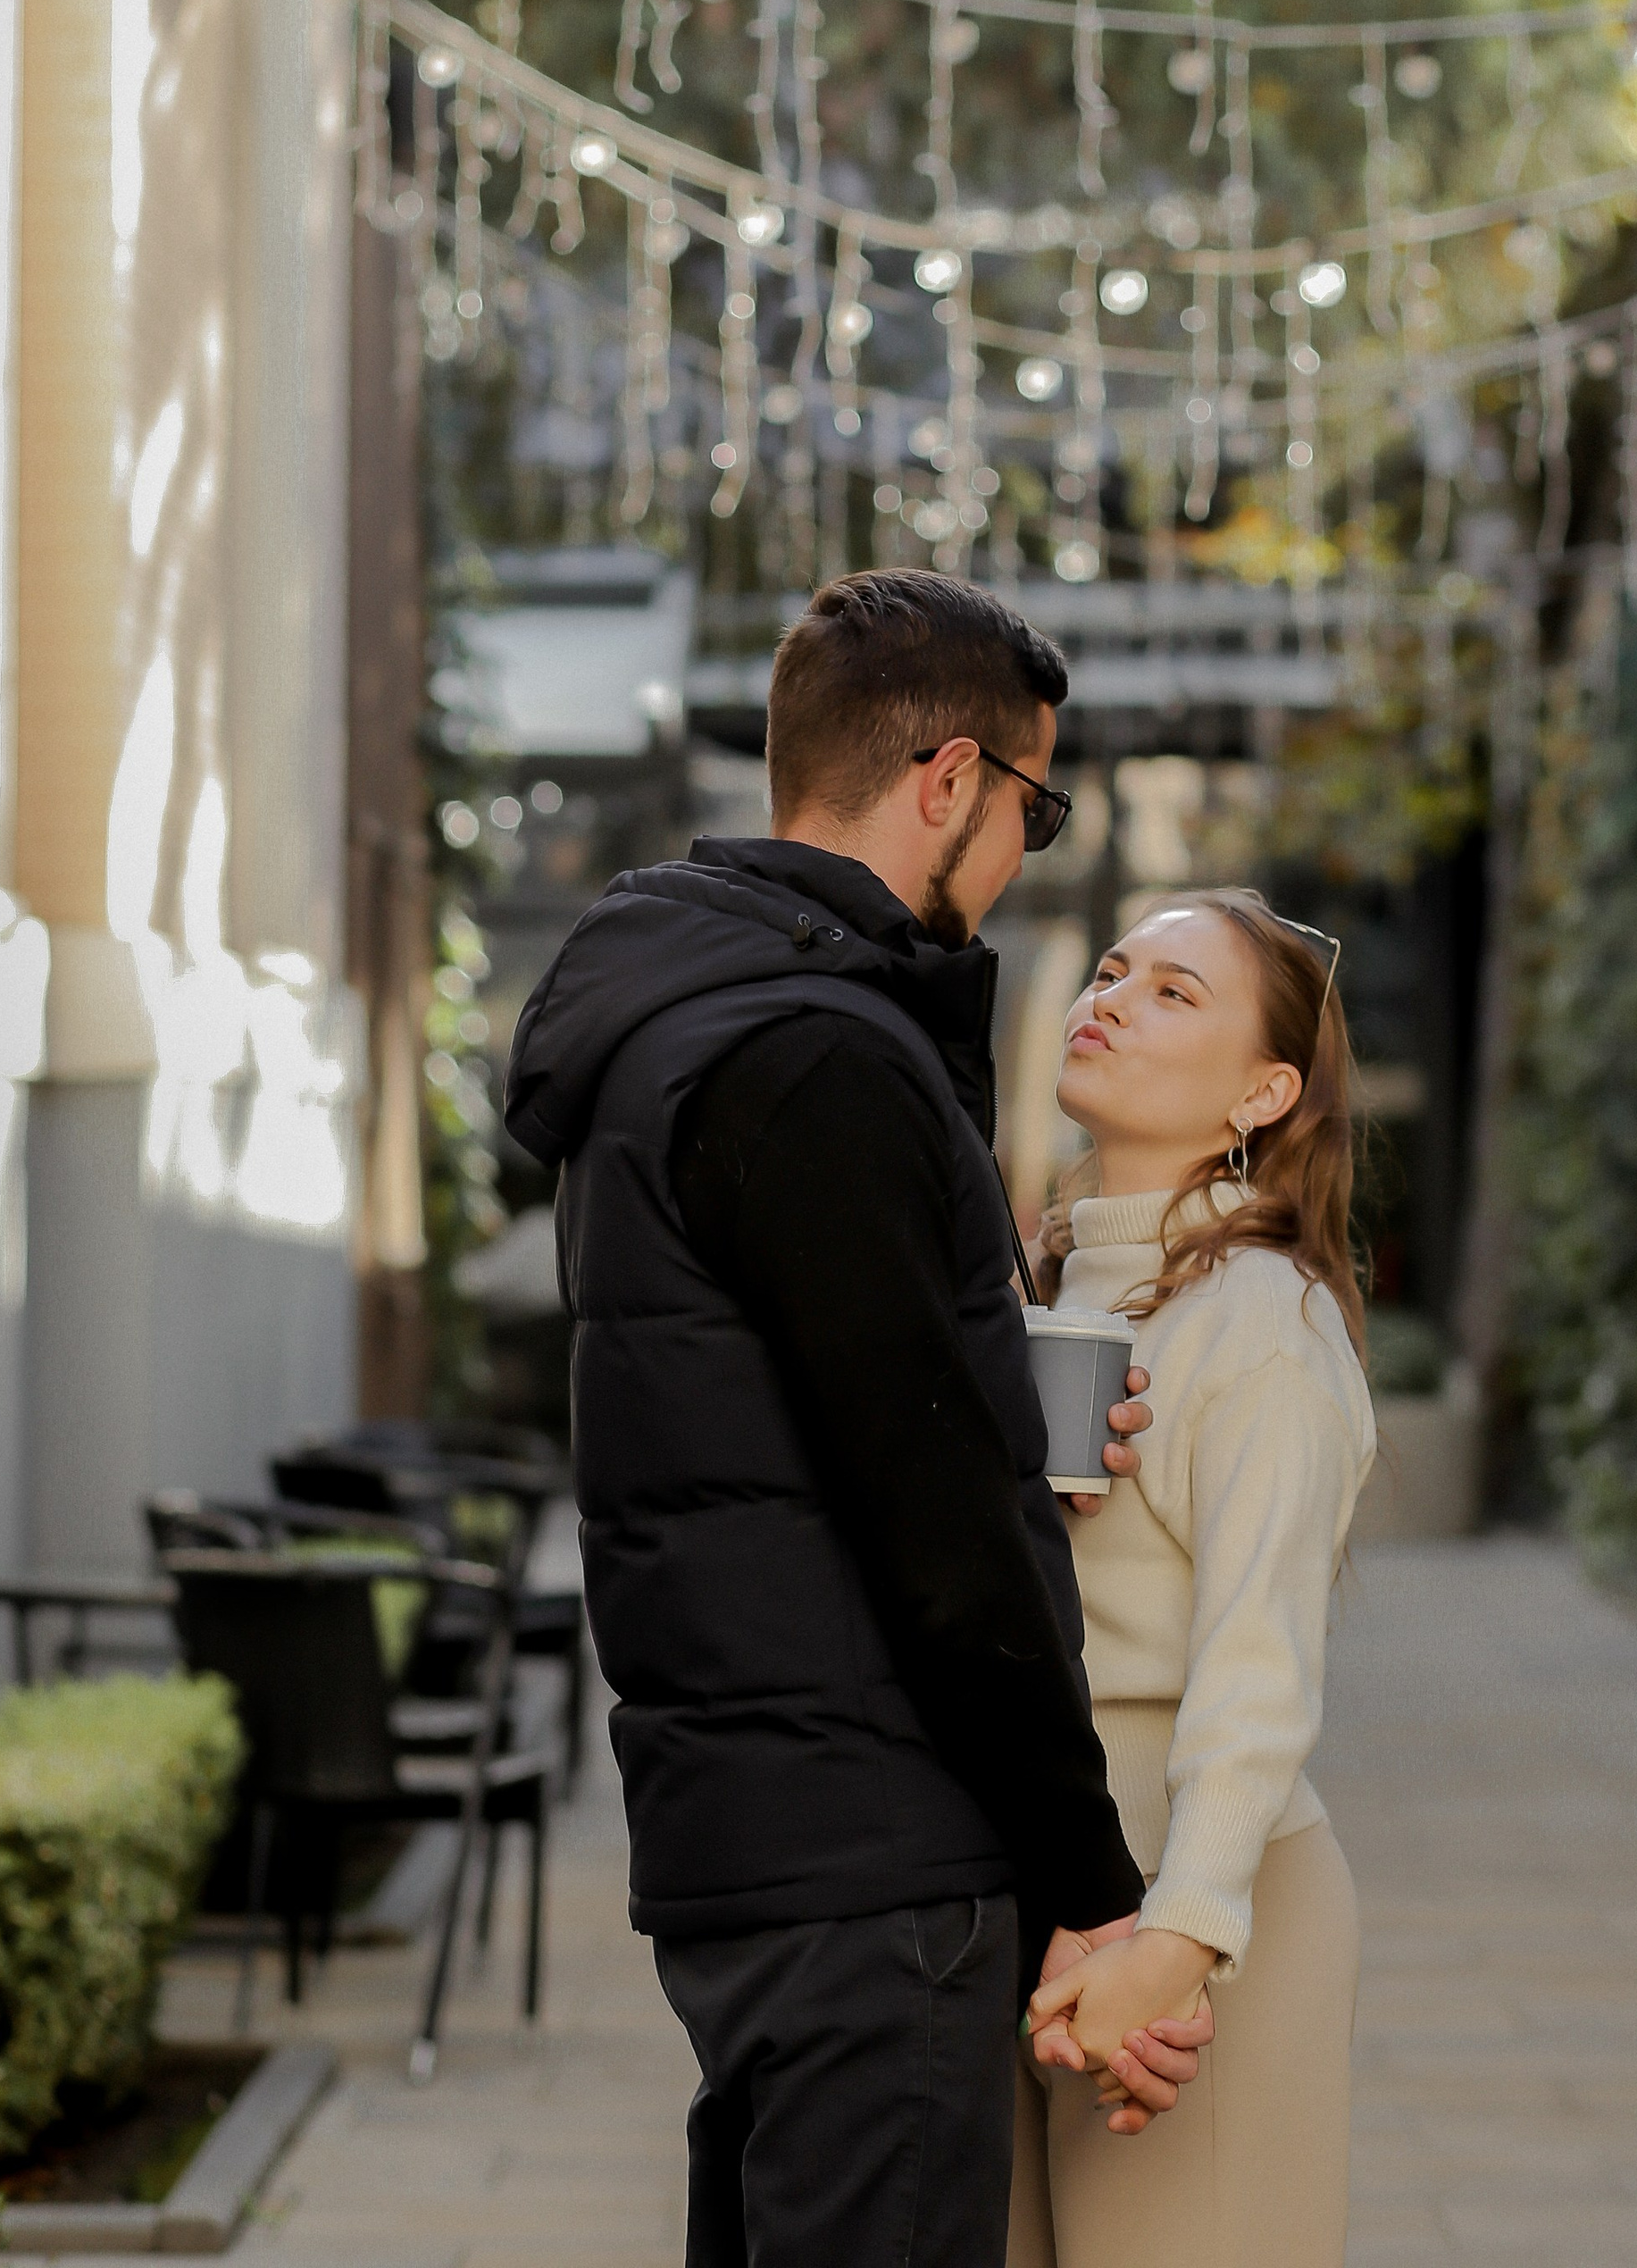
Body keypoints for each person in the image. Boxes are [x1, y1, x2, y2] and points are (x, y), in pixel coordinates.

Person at [502, 570, 1210, 2268]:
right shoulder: (816, 1055)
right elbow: (939, 1523)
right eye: (1035, 807)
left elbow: (806, 1405)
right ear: (952, 781)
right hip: (867, 1849)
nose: (1029, 851)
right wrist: (1095, 1884)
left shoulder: (686, 1024)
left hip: (753, 1832)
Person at [1008, 890, 1378, 2268]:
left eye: (1174, 992)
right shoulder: (1058, 1287)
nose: (1111, 997)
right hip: (1062, 1900)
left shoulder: (1262, 1323)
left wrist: (1178, 1946)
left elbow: (1258, 1669)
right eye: (1113, 970)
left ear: (1265, 1091)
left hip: (1201, 1910)